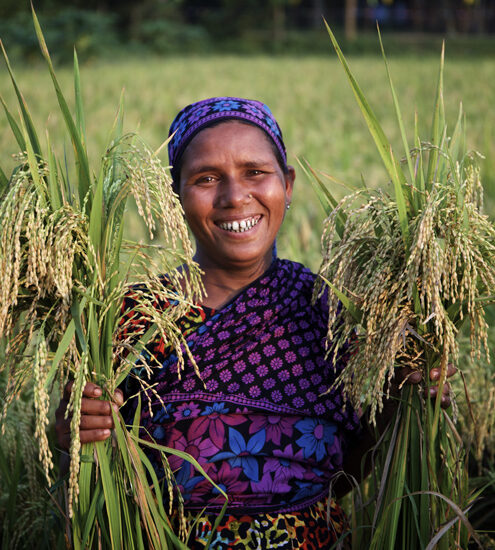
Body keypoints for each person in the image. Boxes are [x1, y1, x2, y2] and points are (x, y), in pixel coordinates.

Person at [56, 97, 454, 549]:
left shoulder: (330, 314)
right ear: (175, 195)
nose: (234, 196)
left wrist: (407, 405)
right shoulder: (133, 318)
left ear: (287, 185)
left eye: (255, 173)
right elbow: (80, 460)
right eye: (207, 178)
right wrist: (74, 431)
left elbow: (350, 467)